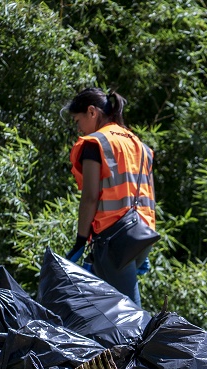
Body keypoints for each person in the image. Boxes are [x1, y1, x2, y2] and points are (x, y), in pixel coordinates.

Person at [65, 87, 156, 307]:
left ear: (92, 112)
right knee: (95, 306)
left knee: (129, 313)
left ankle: (146, 342)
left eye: (78, 120)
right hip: (142, 235)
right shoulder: (138, 144)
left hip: (114, 239)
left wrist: (80, 240)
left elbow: (89, 197)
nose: (79, 128)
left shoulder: (96, 143)